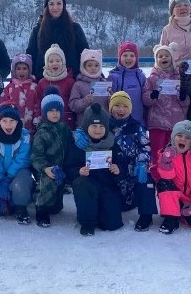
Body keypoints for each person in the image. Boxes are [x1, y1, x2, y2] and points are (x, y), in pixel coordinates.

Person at [65, 103, 124, 236]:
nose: (97, 130)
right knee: (82, 184)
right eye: (94, 126)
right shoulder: (78, 144)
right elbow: (68, 167)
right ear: (86, 126)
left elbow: (122, 164)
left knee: (112, 224)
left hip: (107, 184)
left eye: (101, 126)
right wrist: (78, 172)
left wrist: (118, 169)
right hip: (87, 185)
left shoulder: (111, 143)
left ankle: (102, 213)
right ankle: (87, 223)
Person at [152, 120, 191, 233]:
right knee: (164, 182)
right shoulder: (165, 154)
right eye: (179, 135)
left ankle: (183, 214)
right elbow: (165, 176)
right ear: (173, 137)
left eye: (187, 137)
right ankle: (171, 218)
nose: (183, 139)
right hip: (173, 197)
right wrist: (166, 161)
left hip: (190, 199)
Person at [143, 42, 189, 175]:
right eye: (160, 56)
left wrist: (183, 97)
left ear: (172, 58)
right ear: (156, 59)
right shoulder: (152, 78)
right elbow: (145, 99)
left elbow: (186, 102)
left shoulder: (179, 77)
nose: (163, 58)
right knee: (157, 152)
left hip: (176, 123)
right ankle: (157, 176)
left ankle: (174, 176)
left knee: (174, 152)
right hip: (157, 122)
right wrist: (152, 96)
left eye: (166, 55)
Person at [31, 87, 72, 227]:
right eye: (51, 111)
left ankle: (52, 203)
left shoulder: (64, 128)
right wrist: (45, 168)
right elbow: (36, 156)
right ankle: (40, 210)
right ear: (44, 113)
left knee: (56, 207)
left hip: (61, 166)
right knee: (48, 186)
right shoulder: (42, 132)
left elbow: (70, 144)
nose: (54, 114)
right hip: (46, 169)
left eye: (57, 111)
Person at [0, 102, 34, 223]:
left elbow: (23, 159)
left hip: (19, 172)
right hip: (1, 175)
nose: (8, 124)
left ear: (18, 122)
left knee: (19, 185)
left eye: (12, 120)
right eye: (5, 121)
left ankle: (21, 207)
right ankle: (9, 200)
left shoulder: (24, 136)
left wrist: (8, 177)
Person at [26, 0, 89, 78]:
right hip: (43, 80)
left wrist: (94, 74)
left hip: (71, 80)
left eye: (59, 3)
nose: (55, 7)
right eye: (51, 4)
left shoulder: (75, 28)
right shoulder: (37, 30)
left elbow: (86, 54)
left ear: (64, 5)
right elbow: (31, 55)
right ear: (47, 7)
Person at [0, 53, 41, 135]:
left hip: (30, 128)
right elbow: (2, 104)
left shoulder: (34, 88)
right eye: (18, 69)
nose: (21, 71)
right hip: (12, 127)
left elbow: (38, 105)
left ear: (29, 70)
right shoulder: (9, 88)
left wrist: (37, 121)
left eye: (24, 68)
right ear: (14, 70)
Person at [37, 44, 75, 129]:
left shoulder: (70, 82)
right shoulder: (42, 83)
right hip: (47, 122)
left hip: (66, 121)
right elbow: (39, 102)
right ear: (47, 64)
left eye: (58, 61)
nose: (55, 63)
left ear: (63, 62)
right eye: (51, 61)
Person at [69, 49, 110, 127]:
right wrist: (85, 101)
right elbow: (73, 105)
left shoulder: (104, 83)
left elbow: (111, 106)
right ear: (83, 66)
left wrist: (111, 100)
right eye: (89, 65)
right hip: (84, 125)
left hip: (102, 126)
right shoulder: (78, 84)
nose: (93, 68)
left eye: (96, 65)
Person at [108, 41, 146, 125]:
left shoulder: (141, 76)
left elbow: (145, 98)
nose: (128, 58)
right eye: (125, 55)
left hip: (138, 121)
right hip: (119, 122)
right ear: (119, 57)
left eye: (132, 55)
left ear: (136, 58)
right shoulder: (113, 77)